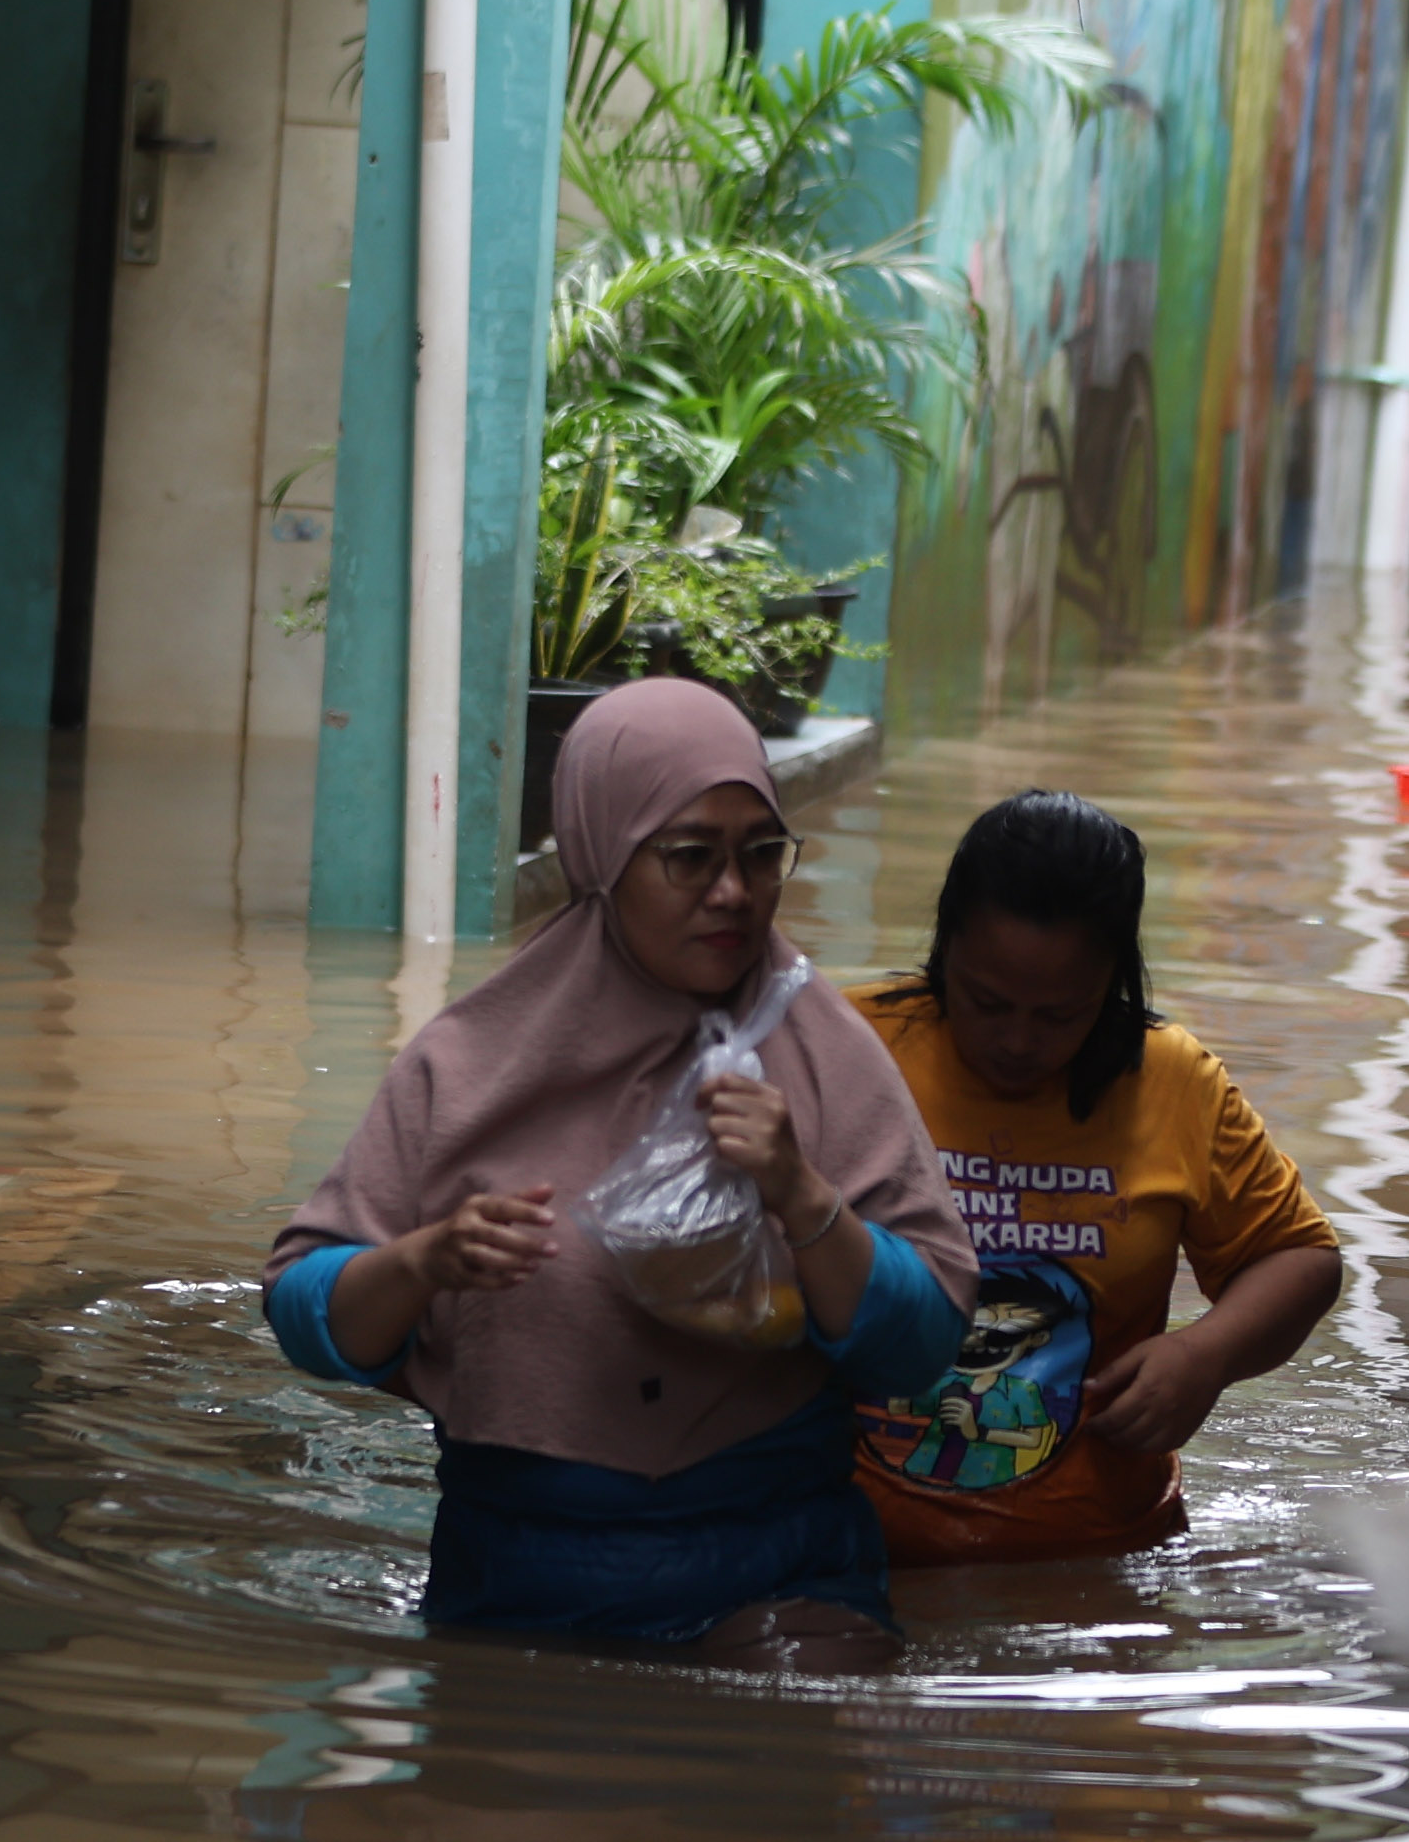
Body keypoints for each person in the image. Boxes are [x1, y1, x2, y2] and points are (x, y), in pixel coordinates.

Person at [264, 678, 971, 1659]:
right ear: (601, 852)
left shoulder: (821, 1052)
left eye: (760, 855)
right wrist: (424, 1259)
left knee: (802, 1725)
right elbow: (304, 1314)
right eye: (689, 857)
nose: (733, 891)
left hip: (775, 1573)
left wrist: (801, 1194)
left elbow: (927, 1339)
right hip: (516, 1573)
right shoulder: (471, 1062)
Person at [851, 791, 1347, 1566]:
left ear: (1115, 982)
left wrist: (1203, 1356)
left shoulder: (1172, 1081)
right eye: (986, 1001)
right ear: (943, 949)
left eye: (1060, 1015)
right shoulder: (844, 1047)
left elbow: (1301, 1258)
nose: (1017, 1041)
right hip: (848, 1552)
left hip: (1097, 1562)